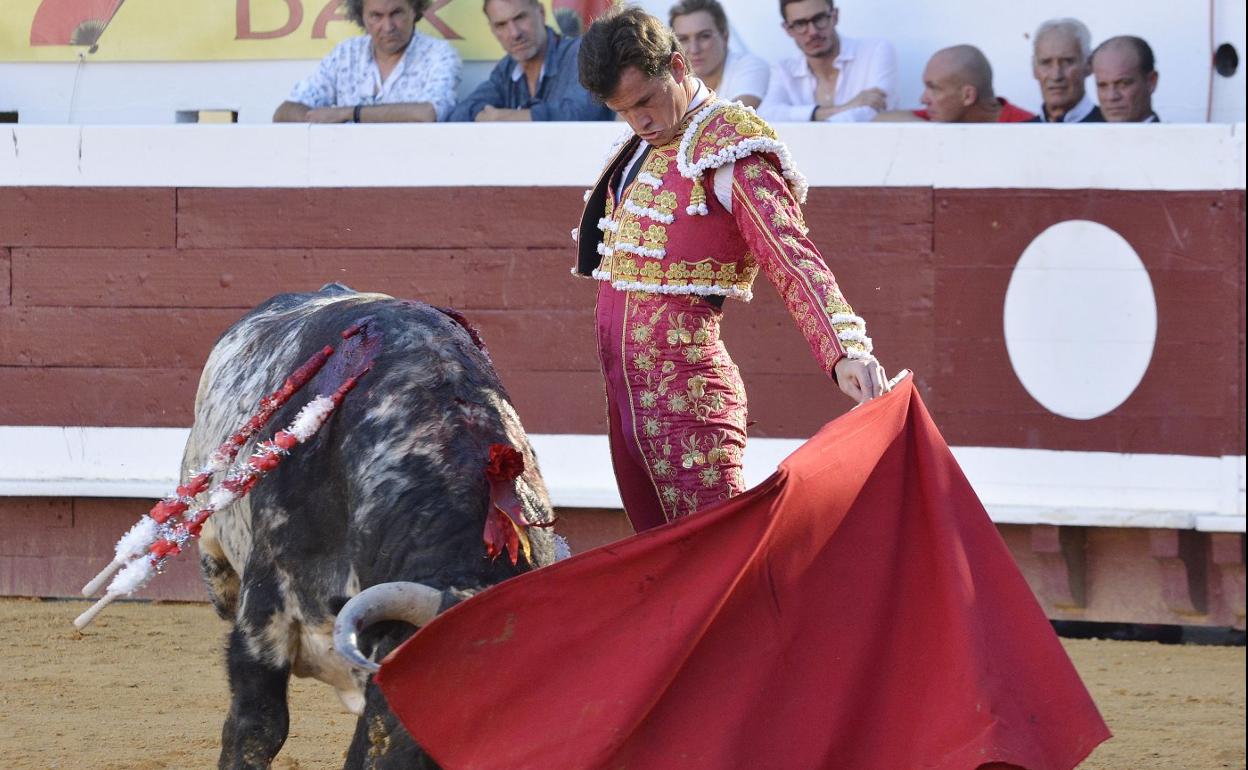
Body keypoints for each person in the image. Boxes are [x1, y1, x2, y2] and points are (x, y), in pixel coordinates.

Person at [572, 7, 888, 532]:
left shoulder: (728, 144)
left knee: (718, 565)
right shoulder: (641, 145)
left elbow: (790, 254)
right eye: (623, 111)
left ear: (676, 67)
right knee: (665, 566)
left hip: (689, 407)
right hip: (625, 400)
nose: (641, 121)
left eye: (646, 102)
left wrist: (844, 350)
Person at [273, 0, 459, 123]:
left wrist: (347, 113)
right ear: (361, 17)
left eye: (396, 13)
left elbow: (428, 114)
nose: (388, 27)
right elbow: (284, 111)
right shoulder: (346, 53)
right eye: (376, 16)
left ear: (415, 11)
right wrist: (316, 119)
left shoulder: (439, 54)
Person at [449, 0, 613, 122]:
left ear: (541, 13)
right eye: (501, 25)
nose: (514, 33)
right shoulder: (506, 68)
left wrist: (504, 117)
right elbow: (459, 115)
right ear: (493, 30)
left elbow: (584, 112)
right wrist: (488, 117)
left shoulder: (580, 51)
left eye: (520, 17)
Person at [758, 0, 897, 123]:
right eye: (800, 24)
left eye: (819, 18)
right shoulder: (784, 69)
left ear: (835, 16)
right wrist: (845, 107)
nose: (812, 32)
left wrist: (811, 119)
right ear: (788, 29)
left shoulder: (875, 51)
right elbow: (766, 115)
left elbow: (873, 109)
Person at [875, 45, 1036, 122]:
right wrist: (929, 130)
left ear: (968, 96)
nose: (922, 99)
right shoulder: (946, 115)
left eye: (933, 88)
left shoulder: (1029, 127)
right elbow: (880, 119)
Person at [669, 0, 770, 109]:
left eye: (704, 36)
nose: (694, 49)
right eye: (683, 39)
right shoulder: (672, 79)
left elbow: (734, 118)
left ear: (725, 38)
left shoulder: (751, 66)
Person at [1027, 18, 1103, 123]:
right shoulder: (1015, 135)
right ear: (1034, 69)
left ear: (1089, 65)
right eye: (1046, 63)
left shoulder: (1117, 128)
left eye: (1067, 62)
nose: (1056, 75)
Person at [1092, 35, 1161, 122]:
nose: (1111, 96)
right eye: (1102, 85)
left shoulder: (1171, 136)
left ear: (1151, 82)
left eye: (1123, 83)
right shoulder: (1085, 135)